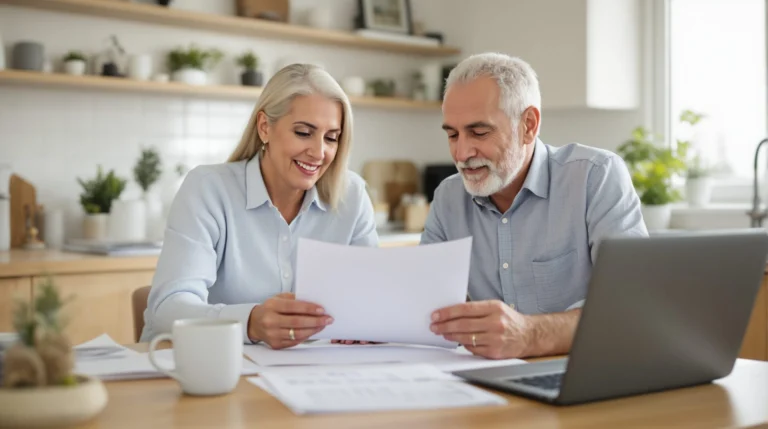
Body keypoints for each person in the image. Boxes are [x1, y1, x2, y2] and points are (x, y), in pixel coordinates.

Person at [425, 53, 648, 359]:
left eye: (479, 132)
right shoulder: (448, 198)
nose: (461, 153)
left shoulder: (595, 176)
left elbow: (631, 306)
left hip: (583, 370)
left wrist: (529, 335)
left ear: (528, 125)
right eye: (452, 134)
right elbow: (423, 304)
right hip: (487, 377)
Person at [140, 64, 378, 349]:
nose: (319, 152)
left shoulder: (352, 196)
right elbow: (167, 308)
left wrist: (371, 322)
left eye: (331, 138)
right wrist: (251, 322)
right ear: (265, 127)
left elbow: (374, 299)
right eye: (304, 132)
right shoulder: (208, 189)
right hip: (209, 363)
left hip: (314, 369)